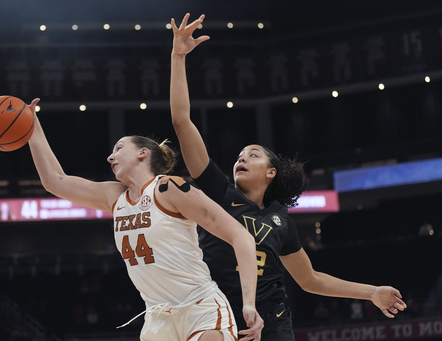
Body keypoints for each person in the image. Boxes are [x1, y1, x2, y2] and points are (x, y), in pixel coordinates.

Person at [170, 13, 407, 340]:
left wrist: (370, 293)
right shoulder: (217, 192)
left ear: (271, 172)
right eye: (240, 153)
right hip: (217, 315)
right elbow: (182, 122)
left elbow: (310, 281)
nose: (242, 156)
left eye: (253, 153)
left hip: (273, 321)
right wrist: (178, 56)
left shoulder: (283, 222)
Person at [24, 98, 264, 341]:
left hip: (199, 306)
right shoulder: (114, 196)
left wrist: (249, 303)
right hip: (157, 318)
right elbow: (55, 181)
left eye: (118, 148)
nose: (110, 157)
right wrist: (31, 125)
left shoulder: (168, 188)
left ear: (142, 153)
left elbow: (241, 235)